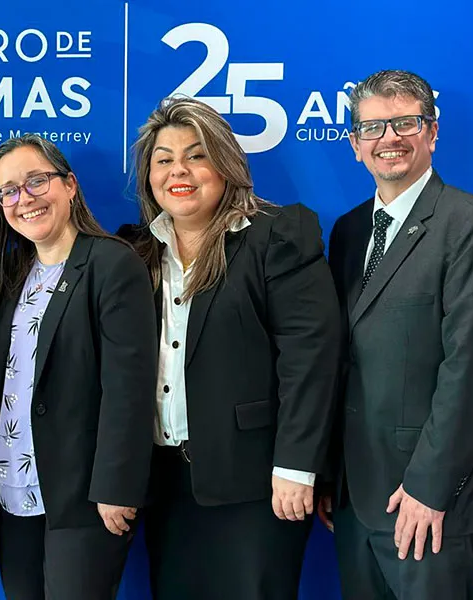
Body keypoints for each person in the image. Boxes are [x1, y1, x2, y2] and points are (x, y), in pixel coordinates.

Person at [119, 96, 341, 599]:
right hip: (167, 484)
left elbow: (310, 359)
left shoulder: (277, 235)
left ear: (225, 164)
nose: (179, 170)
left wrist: (295, 467)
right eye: (163, 159)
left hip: (259, 485)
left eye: (196, 155)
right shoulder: (135, 250)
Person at [323, 69, 473, 599]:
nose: (390, 139)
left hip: (430, 499)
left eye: (406, 122)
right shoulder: (348, 230)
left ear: (431, 133)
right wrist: (330, 474)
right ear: (356, 145)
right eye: (374, 128)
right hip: (356, 495)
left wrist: (430, 489)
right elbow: (343, 360)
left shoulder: (470, 224)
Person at [0, 134, 157, 600]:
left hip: (83, 498)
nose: (26, 199)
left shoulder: (111, 264)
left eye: (37, 181)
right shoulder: (10, 274)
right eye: (10, 191)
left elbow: (130, 388)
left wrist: (117, 486)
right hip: (12, 494)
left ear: (70, 186)